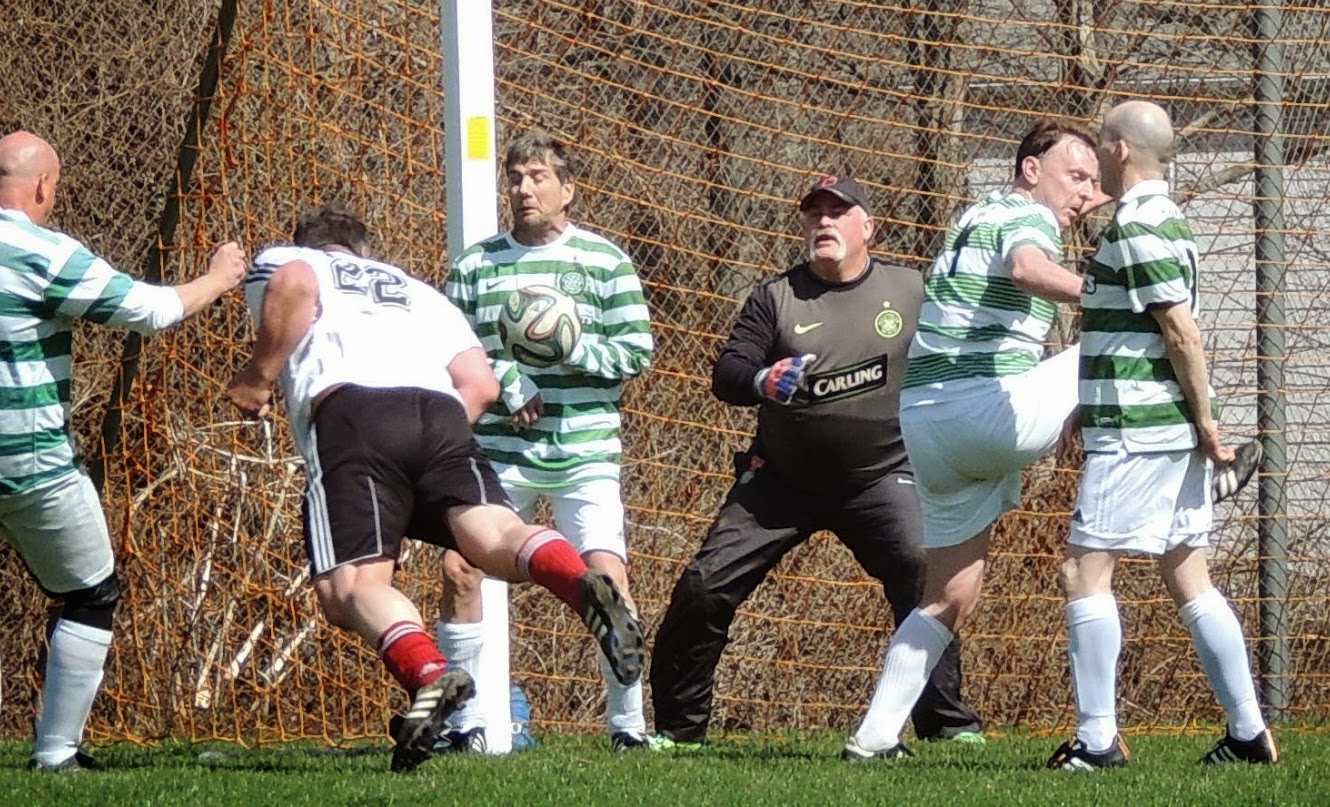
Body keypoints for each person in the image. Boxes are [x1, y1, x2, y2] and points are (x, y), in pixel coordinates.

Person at [223, 204, 646, 773]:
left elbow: (295, 283)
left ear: (307, 242)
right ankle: (577, 581)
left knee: (350, 587)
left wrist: (257, 377)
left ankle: (428, 672)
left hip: (352, 414)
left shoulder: (289, 259)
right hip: (442, 415)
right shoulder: (415, 290)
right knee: (494, 534)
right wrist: (422, 448)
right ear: (365, 252)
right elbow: (482, 385)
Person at [0, 130, 249, 772]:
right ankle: (56, 754)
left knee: (58, 568)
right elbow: (150, 310)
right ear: (44, 186)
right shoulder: (46, 254)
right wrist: (218, 278)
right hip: (19, 460)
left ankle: (52, 727)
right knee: (92, 593)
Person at [648, 173, 983, 751]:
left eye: (838, 211)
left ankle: (947, 725)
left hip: (883, 475)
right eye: (814, 213)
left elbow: (961, 354)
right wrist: (762, 379)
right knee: (705, 585)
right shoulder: (776, 297)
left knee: (921, 568)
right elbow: (728, 372)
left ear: (868, 227)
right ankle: (679, 732)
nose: (824, 221)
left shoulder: (911, 290)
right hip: (781, 481)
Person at [842, 120, 1101, 759]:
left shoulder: (977, 214)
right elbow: (1027, 268)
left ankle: (873, 738)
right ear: (1030, 169)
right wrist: (1107, 294)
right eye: (1076, 175)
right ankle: (1208, 450)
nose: (1084, 192)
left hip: (927, 422)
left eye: (1094, 181)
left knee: (951, 595)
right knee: (1136, 322)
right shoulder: (1028, 215)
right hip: (983, 411)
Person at [1047, 100, 1277, 769]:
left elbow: (1180, 330)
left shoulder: (1140, 223)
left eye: (1100, 142)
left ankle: (1096, 742)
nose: (1095, 155)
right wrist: (1087, 405)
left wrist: (1208, 424)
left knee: (1083, 571)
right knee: (1189, 575)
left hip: (1140, 433)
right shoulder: (1160, 217)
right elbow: (1135, 328)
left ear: (1119, 149)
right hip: (1152, 427)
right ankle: (1248, 733)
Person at [434, 131, 655, 752]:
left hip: (585, 450)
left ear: (568, 190)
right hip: (501, 451)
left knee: (605, 579)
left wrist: (570, 348)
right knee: (459, 569)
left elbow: (637, 353)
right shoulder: (476, 267)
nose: (524, 189)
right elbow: (452, 350)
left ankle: (628, 728)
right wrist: (510, 381)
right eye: (515, 178)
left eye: (537, 177)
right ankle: (466, 727)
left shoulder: (604, 262)